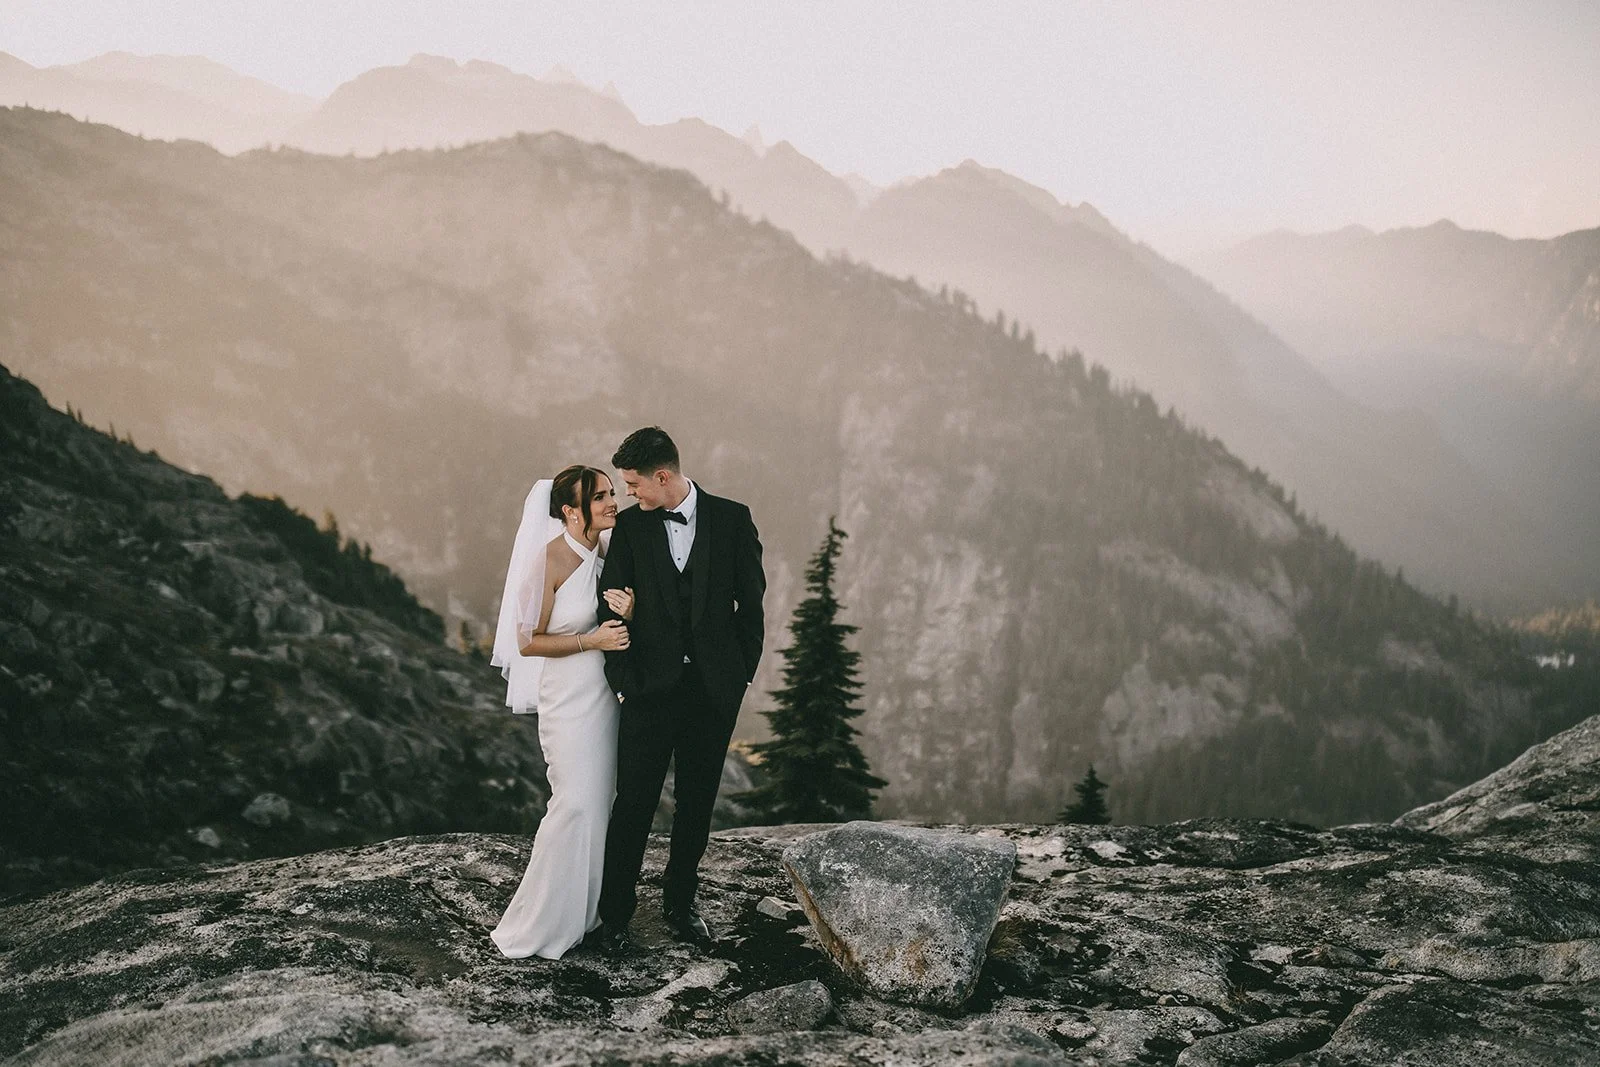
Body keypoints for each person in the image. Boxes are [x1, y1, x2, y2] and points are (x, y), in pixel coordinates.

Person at [591, 427, 765, 955]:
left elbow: (751, 606)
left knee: (696, 803)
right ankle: (615, 914)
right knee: (634, 803)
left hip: (713, 692)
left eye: (633, 485)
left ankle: (680, 904)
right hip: (647, 690)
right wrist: (623, 683)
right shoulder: (631, 532)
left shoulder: (733, 519)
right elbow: (608, 605)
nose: (628, 496)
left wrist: (739, 679)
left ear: (662, 476)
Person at [488, 465, 635, 960]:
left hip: (603, 698)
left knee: (600, 803)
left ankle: (587, 913)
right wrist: (590, 640)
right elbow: (526, 641)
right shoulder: (549, 559)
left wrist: (629, 612)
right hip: (567, 697)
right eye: (600, 497)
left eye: (611, 493)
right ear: (571, 512)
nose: (612, 502)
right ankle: (545, 919)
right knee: (573, 801)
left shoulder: (607, 550)